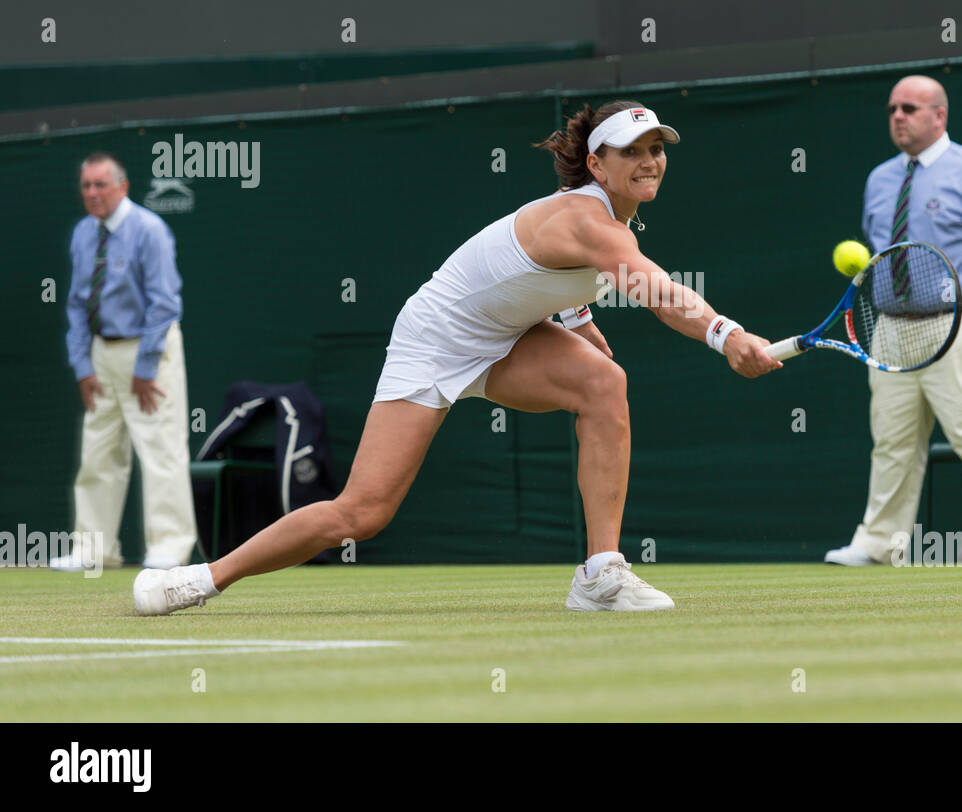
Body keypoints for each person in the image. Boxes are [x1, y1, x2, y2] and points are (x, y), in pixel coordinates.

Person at [135, 101, 781, 615]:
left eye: (656, 149)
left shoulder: (610, 220)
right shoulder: (592, 222)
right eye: (632, 151)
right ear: (597, 163)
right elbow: (652, 288)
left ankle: (601, 574)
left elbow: (544, 271)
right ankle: (202, 578)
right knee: (362, 513)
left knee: (604, 384)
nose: (649, 161)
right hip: (435, 338)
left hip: (507, 334)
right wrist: (728, 335)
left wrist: (577, 318)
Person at [824, 76, 962, 566]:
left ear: (939, 115)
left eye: (911, 108)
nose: (898, 116)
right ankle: (880, 544)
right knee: (893, 442)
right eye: (892, 109)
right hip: (891, 331)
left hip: (960, 326)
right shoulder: (879, 179)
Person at [55, 153, 198, 572]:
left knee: (161, 448)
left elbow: (165, 302)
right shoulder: (83, 234)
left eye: (101, 184)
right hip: (102, 353)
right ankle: (93, 550)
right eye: (86, 186)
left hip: (149, 350)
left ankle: (170, 548)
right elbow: (78, 304)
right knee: (98, 452)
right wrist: (82, 366)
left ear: (123, 186)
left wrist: (146, 366)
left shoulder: (150, 230)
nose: (93, 193)